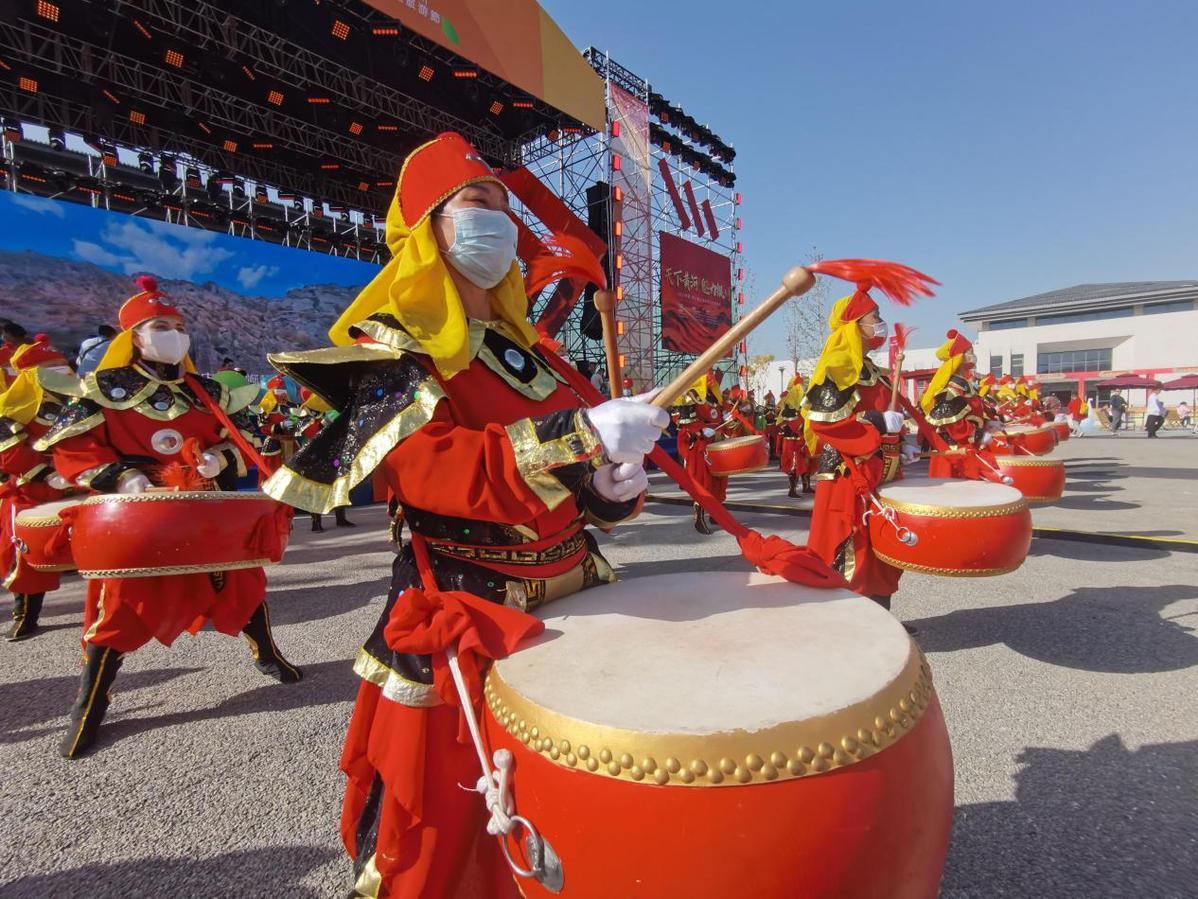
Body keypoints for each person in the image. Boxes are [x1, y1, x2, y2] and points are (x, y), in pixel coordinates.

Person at [260, 132, 667, 897]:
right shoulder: (390, 347)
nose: (500, 225)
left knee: (583, 815)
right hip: (463, 619)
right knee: (447, 837)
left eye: (508, 212)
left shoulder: (535, 352)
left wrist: (611, 491)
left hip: (577, 602)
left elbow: (580, 483)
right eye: (478, 206)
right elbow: (431, 468)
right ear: (429, 229)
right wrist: (579, 434)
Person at [36, 276, 303, 758]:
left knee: (241, 585)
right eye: (161, 326)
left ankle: (266, 652)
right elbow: (72, 449)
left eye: (178, 326)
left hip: (205, 513)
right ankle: (91, 700)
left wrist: (221, 459)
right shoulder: (103, 389)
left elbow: (242, 438)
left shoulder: (207, 391)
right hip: (138, 518)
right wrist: (120, 476)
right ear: (133, 337)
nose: (173, 335)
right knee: (121, 604)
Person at [803, 287, 919, 623]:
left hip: (880, 474)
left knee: (883, 554)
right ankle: (850, 628)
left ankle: (881, 622)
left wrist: (903, 441)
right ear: (855, 325)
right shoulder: (838, 368)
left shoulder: (874, 371)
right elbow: (824, 423)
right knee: (852, 554)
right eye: (875, 318)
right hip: (847, 477)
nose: (881, 324)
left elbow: (890, 419)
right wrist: (879, 422)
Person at [0, 335, 77, 641]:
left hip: (82, 484)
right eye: (53, 368)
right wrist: (47, 473)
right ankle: (26, 614)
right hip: (36, 489)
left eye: (63, 366)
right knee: (29, 556)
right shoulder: (10, 411)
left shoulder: (79, 403)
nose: (64, 373)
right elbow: (9, 452)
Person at [671, 372, 727, 533]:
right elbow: (684, 425)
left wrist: (726, 424)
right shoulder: (691, 396)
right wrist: (700, 432)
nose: (712, 380)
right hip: (699, 445)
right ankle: (699, 517)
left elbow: (718, 419)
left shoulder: (715, 397)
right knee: (703, 482)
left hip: (716, 442)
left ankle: (716, 515)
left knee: (719, 481)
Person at [777, 374, 813, 496]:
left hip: (800, 441)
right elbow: (790, 425)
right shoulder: (788, 409)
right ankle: (792, 490)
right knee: (794, 465)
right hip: (791, 443)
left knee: (804, 464)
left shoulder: (799, 409)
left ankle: (805, 486)